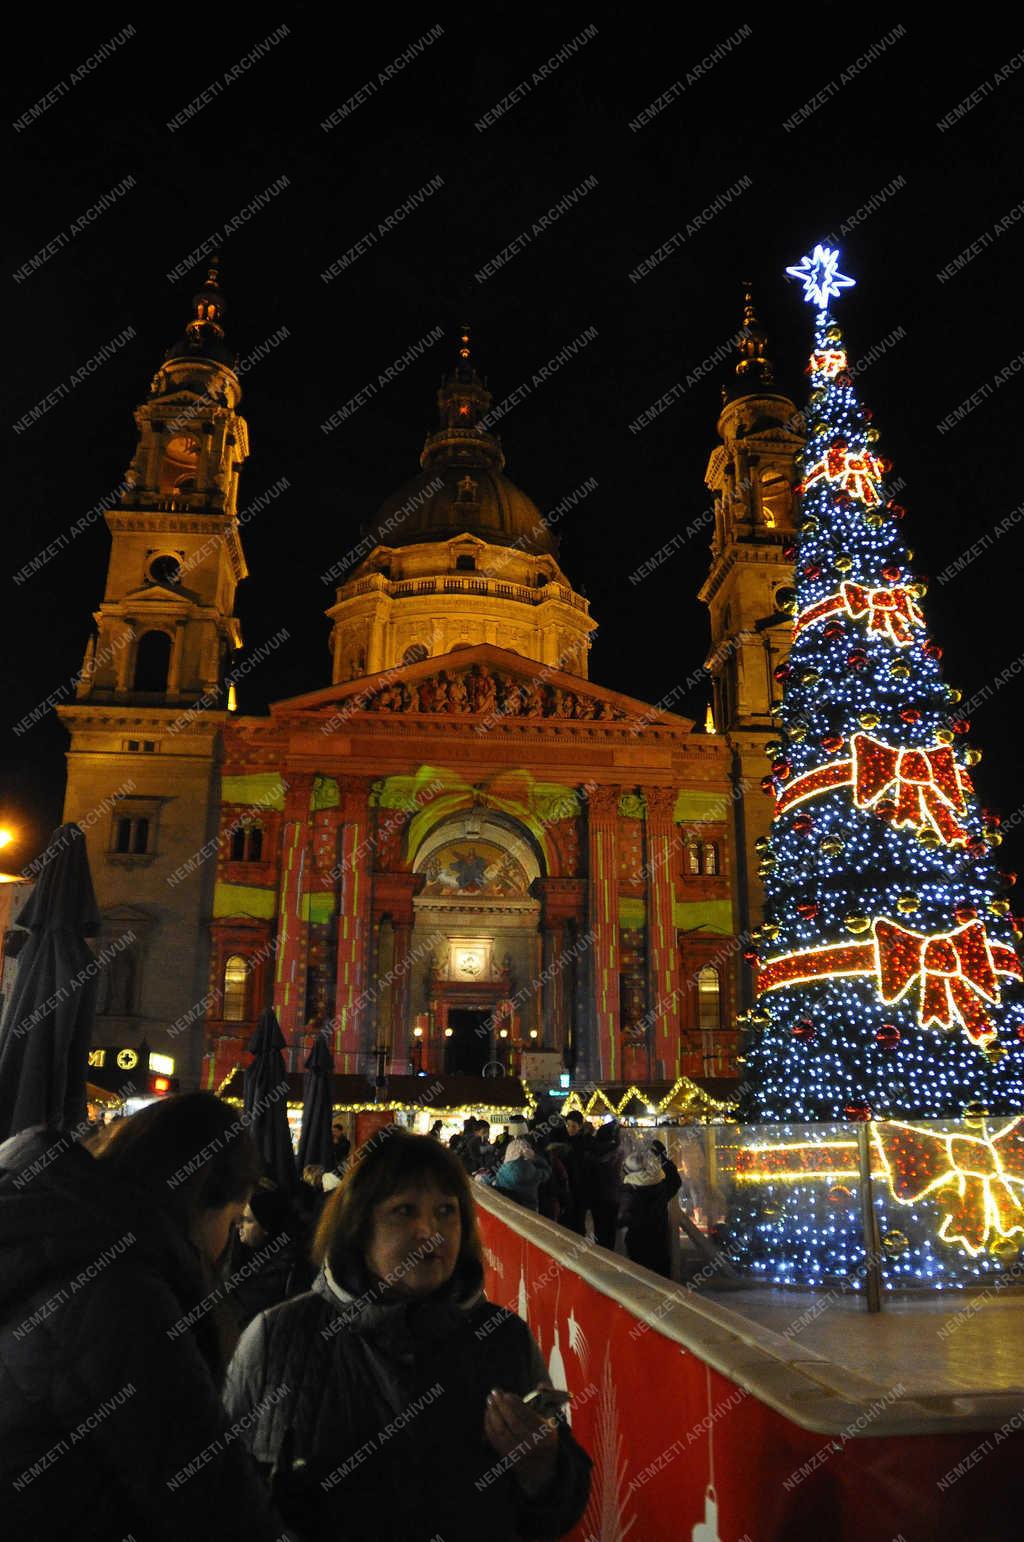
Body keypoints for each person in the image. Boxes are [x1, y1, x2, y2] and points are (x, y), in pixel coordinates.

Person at [224, 1131, 591, 1541]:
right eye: (403, 1211)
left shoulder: (504, 1339)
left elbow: (554, 1514)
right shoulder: (278, 1338)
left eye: (445, 1211)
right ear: (359, 1226)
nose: (428, 1231)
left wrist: (545, 1467)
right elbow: (223, 1500)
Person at [0, 1093, 288, 1541]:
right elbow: (213, 1502)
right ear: (201, 1202)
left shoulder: (57, 1232)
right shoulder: (119, 1291)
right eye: (232, 1223)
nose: (224, 1249)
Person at [229, 1185, 312, 1329]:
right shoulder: (239, 1251)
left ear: (267, 1227)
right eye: (240, 1219)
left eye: (248, 1221)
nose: (239, 1226)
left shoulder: (290, 1268)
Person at [619, 1146, 673, 1277]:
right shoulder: (660, 1185)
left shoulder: (628, 1191)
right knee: (663, 1281)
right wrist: (664, 1159)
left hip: (637, 1241)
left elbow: (622, 1218)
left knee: (639, 1279)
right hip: (660, 1239)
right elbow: (675, 1181)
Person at [476, 1138, 551, 1212]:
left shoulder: (503, 1169)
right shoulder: (531, 1171)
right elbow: (547, 1172)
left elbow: (497, 1186)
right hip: (529, 1210)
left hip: (508, 1210)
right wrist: (534, 1157)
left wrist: (486, 1180)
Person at [585, 1121, 623, 1249]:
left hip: (597, 1198)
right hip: (611, 1197)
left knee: (600, 1230)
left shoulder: (592, 1152)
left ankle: (602, 1253)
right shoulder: (614, 1153)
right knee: (609, 1231)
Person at [561, 1111, 590, 1235]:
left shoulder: (584, 1144)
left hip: (580, 1189)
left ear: (580, 1127)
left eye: (573, 1126)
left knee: (578, 1222)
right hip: (570, 1188)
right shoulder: (565, 1142)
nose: (570, 1129)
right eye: (568, 1125)